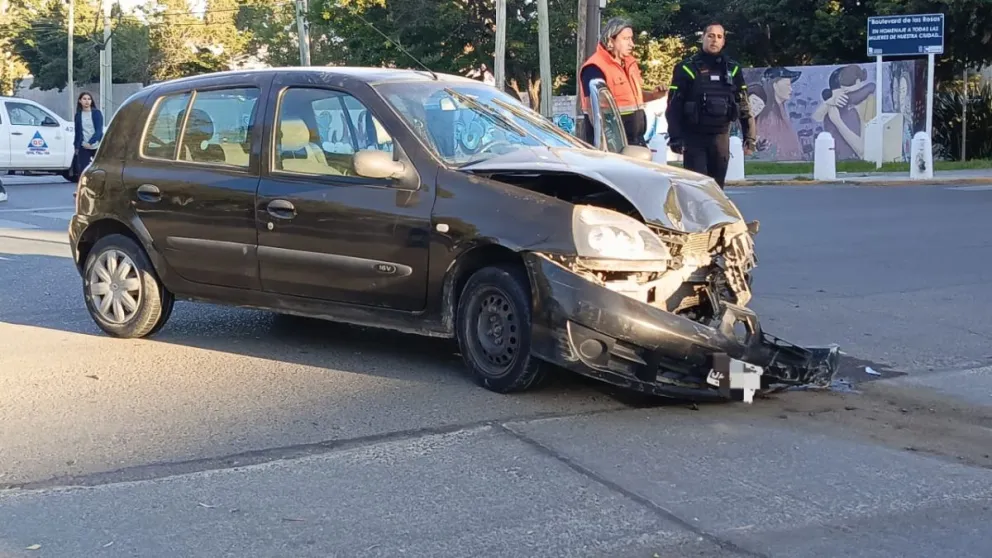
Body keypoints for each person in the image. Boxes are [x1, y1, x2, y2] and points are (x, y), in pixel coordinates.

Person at [665, 22, 756, 188]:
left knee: (716, 189)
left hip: (721, 137)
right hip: (694, 138)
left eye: (719, 37)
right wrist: (675, 137)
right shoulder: (685, 67)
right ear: (703, 38)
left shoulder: (733, 69)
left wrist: (749, 137)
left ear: (724, 41)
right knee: (697, 188)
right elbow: (674, 106)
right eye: (711, 36)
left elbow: (743, 104)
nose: (715, 40)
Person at [578, 17, 666, 147]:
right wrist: (608, 143)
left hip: (636, 140)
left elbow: (628, 98)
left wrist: (653, 95)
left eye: (631, 38)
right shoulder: (594, 67)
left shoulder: (630, 63)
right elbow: (593, 110)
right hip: (614, 145)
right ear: (610, 40)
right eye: (626, 39)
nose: (632, 44)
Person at [73, 91, 104, 177]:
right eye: (84, 99)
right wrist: (76, 146)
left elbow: (99, 130)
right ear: (80, 101)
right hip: (83, 145)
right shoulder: (78, 115)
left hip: (96, 144)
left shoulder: (96, 113)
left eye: (89, 99)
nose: (87, 101)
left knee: (99, 167)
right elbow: (77, 132)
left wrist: (90, 142)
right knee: (83, 169)